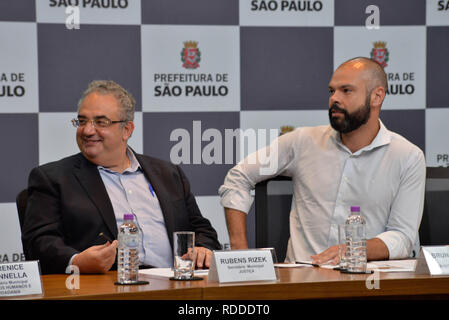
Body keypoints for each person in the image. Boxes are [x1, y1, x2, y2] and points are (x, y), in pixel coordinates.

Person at [219, 57, 426, 265]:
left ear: (376, 96)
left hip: (366, 281)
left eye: (346, 90)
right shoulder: (302, 141)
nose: (334, 98)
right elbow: (239, 176)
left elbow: (402, 237)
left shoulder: (407, 157)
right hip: (302, 280)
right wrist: (240, 254)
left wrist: (353, 249)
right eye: (331, 91)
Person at [22, 80, 221, 274]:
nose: (88, 130)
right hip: (105, 290)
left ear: (127, 130)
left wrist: (203, 249)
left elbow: (202, 230)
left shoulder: (168, 174)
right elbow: (39, 243)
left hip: (174, 285)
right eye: (82, 121)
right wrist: (77, 261)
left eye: (101, 122)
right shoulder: (53, 179)